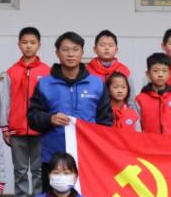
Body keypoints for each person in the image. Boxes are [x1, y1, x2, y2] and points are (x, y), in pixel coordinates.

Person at [28, 31, 113, 178]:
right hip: (53, 158)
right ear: (57, 53)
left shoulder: (97, 84)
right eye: (65, 50)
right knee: (53, 193)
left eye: (75, 49)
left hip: (88, 156)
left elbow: (106, 122)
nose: (70, 54)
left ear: (82, 53)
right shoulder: (44, 84)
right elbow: (32, 118)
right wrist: (50, 119)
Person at [0, 26, 51, 197]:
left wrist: (49, 124)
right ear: (19, 45)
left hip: (40, 129)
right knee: (20, 169)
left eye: (32, 42)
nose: (28, 46)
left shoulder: (47, 72)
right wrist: (4, 126)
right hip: (17, 129)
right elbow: (4, 100)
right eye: (25, 42)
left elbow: (50, 101)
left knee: (38, 169)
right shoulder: (11, 72)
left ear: (39, 45)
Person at [133, 53, 171, 135]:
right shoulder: (140, 99)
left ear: (169, 74)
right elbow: (136, 124)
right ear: (148, 74)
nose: (160, 75)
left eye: (164, 71)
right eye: (155, 71)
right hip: (149, 142)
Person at [86, 30, 136, 100]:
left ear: (116, 50)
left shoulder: (124, 71)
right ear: (95, 49)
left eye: (110, 45)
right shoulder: (86, 71)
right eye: (102, 45)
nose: (106, 48)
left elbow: (131, 99)